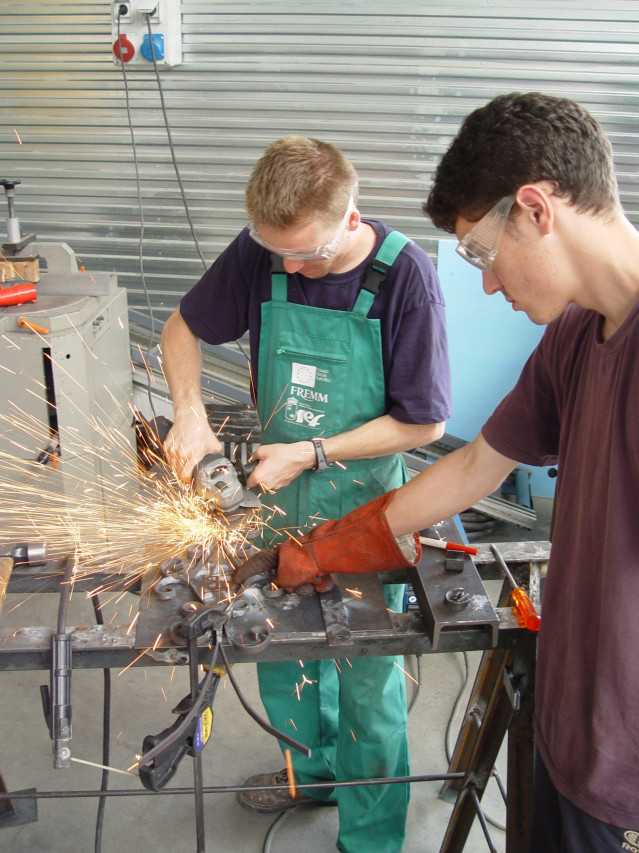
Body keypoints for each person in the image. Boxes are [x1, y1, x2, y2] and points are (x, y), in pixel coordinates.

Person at [238, 93, 639, 852]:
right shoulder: (577, 334)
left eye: (481, 254)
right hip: (567, 729)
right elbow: (474, 465)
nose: (486, 285)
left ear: (533, 209)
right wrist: (324, 548)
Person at [160, 135, 452, 853]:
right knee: (281, 657)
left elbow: (423, 422)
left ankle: (372, 837)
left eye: (306, 255)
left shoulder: (404, 275)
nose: (288, 267)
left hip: (363, 508)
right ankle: (310, 773)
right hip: (273, 505)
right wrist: (190, 409)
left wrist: (312, 451)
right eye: (276, 252)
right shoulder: (263, 248)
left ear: (350, 218)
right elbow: (181, 327)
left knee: (365, 682)